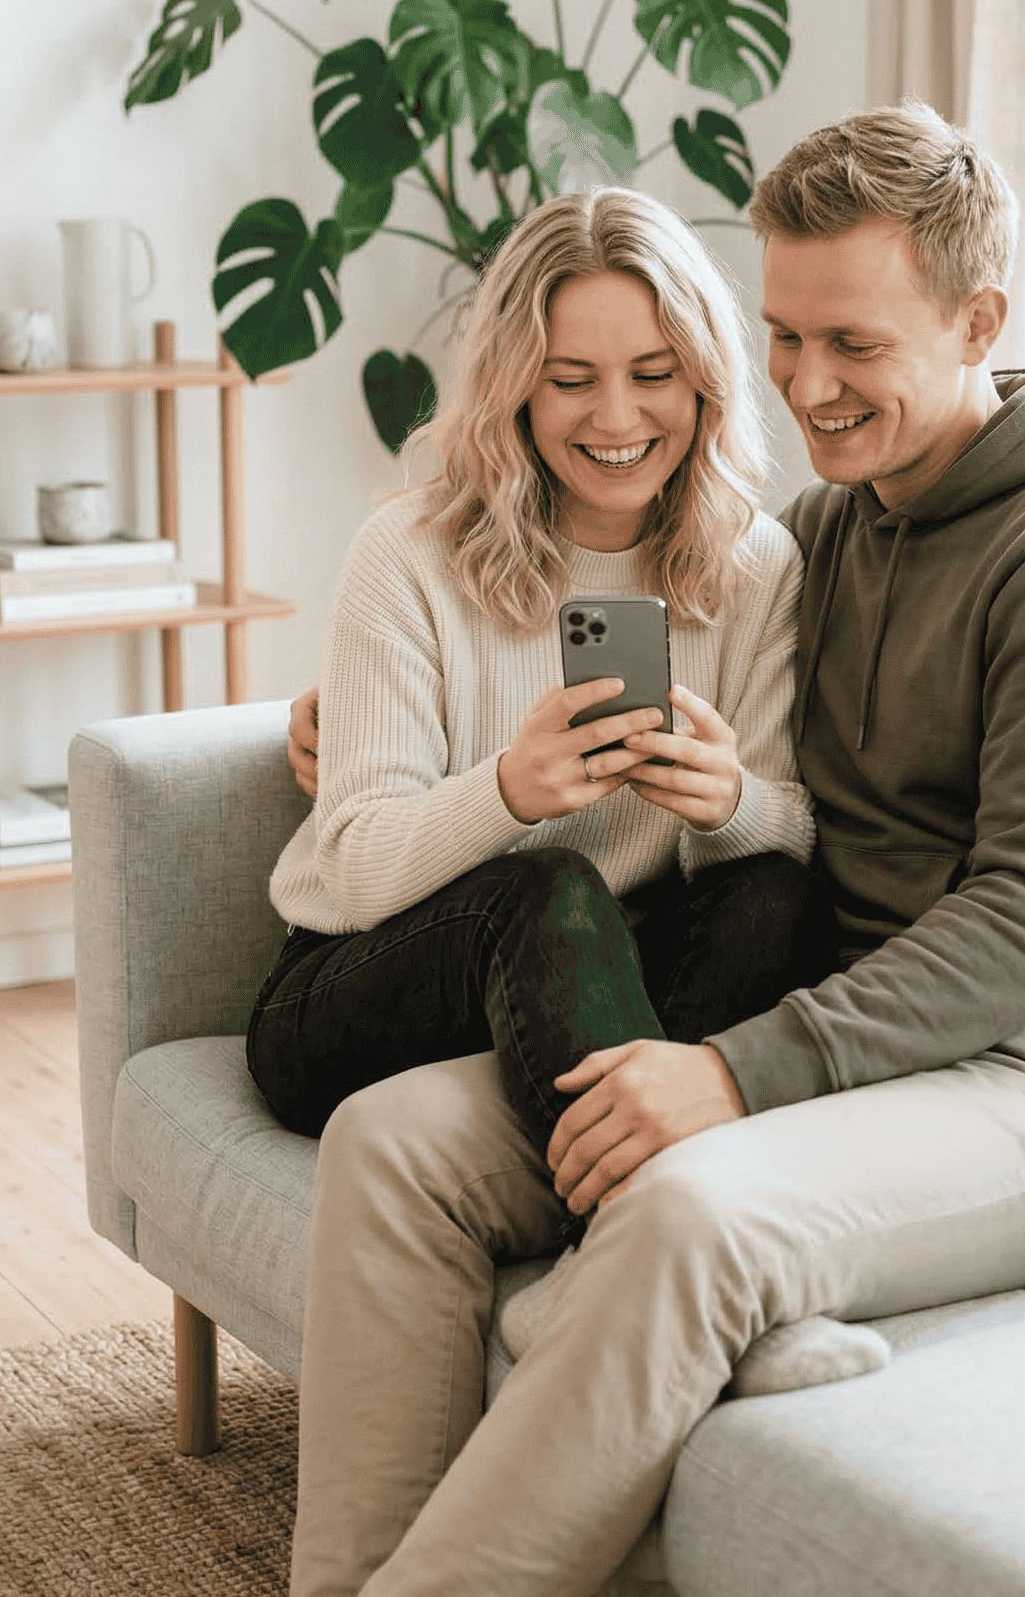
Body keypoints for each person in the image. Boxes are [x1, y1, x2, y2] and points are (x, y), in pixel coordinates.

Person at [0, 104, 1025, 1597]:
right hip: (874, 1048)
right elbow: (741, 765)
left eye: (852, 345)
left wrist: (746, 1073)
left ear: (983, 321)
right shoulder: (845, 526)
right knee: (388, 1136)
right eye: (784, 340)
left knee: (687, 1219)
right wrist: (392, 743)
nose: (805, 386)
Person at [242, 185, 829, 1159]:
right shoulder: (409, 551)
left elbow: (776, 855)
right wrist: (509, 791)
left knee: (774, 889)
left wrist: (731, 803)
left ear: (705, 382)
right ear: (516, 381)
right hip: (359, 984)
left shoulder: (757, 562)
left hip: (610, 989)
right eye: (569, 379)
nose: (617, 415)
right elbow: (345, 872)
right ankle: (659, 1215)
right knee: (548, 884)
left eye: (654, 372)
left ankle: (649, 1195)